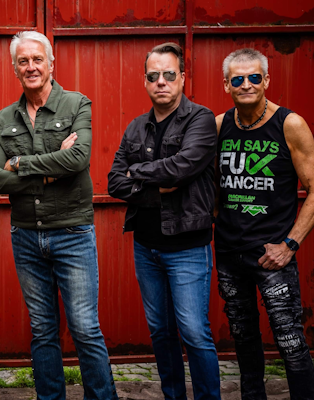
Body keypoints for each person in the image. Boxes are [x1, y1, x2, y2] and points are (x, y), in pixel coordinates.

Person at [0, 31, 117, 400]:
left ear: (51, 64)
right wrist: (48, 172)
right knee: (42, 330)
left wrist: (19, 163)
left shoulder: (76, 104)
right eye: (23, 61)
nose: (31, 67)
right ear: (15, 69)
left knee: (85, 328)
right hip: (26, 236)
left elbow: (78, 159)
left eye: (37, 59)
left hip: (72, 233)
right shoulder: (5, 118)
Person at [108, 42, 221, 400]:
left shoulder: (201, 119)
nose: (161, 82)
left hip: (187, 247)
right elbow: (114, 181)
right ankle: (174, 396)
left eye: (169, 74)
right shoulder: (136, 127)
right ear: (145, 81)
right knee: (160, 331)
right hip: (146, 247)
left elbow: (182, 167)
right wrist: (157, 186)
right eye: (153, 76)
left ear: (182, 78)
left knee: (194, 333)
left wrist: (137, 172)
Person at [215, 48, 314, 400]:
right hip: (230, 255)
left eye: (253, 77)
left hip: (272, 256)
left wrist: (290, 244)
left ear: (266, 80)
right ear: (227, 85)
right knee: (244, 341)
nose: (246, 85)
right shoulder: (219, 125)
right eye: (237, 79)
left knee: (290, 341)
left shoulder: (289, 124)